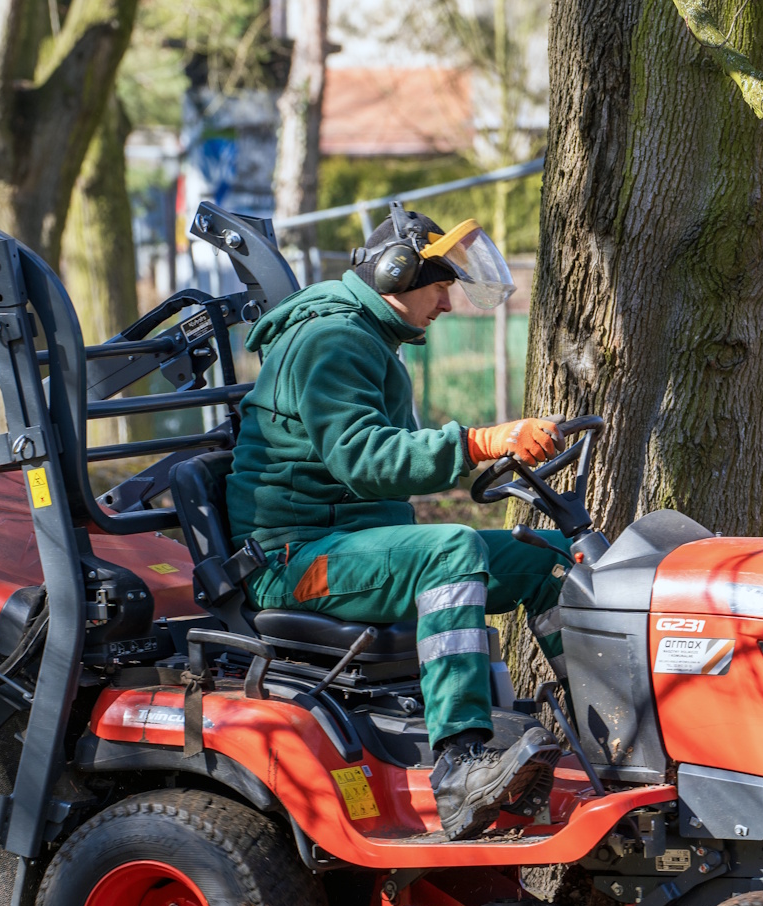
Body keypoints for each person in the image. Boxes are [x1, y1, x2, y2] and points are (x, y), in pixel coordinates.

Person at [227, 203, 571, 839]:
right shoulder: (333, 339)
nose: (446, 305)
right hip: (298, 562)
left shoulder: (367, 337)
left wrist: (492, 457)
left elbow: (390, 463)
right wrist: (481, 442)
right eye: (442, 287)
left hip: (352, 544)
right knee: (449, 550)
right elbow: (365, 458)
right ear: (396, 274)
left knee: (548, 558)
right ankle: (460, 767)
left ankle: (601, 737)